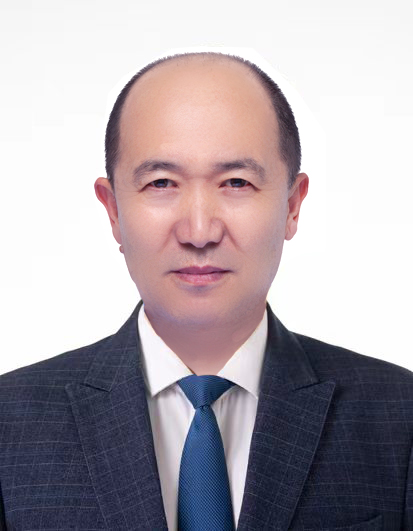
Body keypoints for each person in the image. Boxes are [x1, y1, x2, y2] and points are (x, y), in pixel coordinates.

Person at [0, 51, 412, 531]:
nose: (199, 231)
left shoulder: (398, 417)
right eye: (161, 183)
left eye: (236, 182)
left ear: (292, 206)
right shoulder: (11, 423)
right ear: (113, 210)